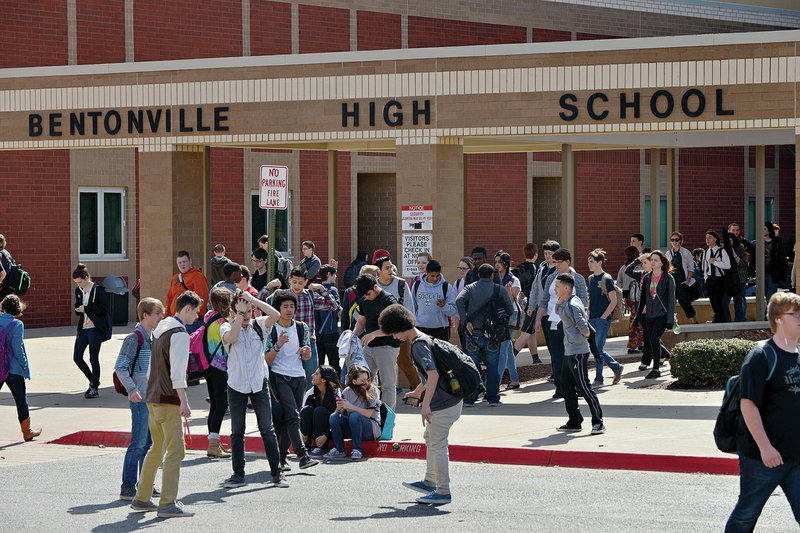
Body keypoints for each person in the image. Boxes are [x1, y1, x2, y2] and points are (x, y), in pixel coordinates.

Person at [725, 291, 800, 531]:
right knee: (746, 515)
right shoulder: (760, 357)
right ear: (778, 319)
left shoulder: (798, 355)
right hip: (763, 458)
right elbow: (748, 404)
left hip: (796, 455)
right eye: (794, 314)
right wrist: (765, 447)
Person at [380, 303, 463, 506]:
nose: (394, 338)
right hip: (449, 400)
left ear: (399, 328)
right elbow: (430, 376)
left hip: (443, 404)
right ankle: (429, 481)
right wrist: (418, 392)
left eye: (393, 333)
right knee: (431, 439)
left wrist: (425, 405)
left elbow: (433, 375)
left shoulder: (417, 345)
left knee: (437, 444)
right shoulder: (425, 339)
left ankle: (442, 491)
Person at [130, 290, 201, 518]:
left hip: (152, 398)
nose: (197, 317)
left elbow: (153, 369)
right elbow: (178, 373)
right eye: (196, 311)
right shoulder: (180, 333)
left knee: (157, 448)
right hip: (168, 399)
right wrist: (184, 402)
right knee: (175, 451)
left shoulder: (161, 330)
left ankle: (142, 498)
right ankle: (167, 503)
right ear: (187, 309)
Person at [220, 288, 288, 488]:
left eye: (249, 310)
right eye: (243, 310)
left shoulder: (259, 325)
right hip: (236, 385)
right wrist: (239, 315)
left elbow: (275, 315)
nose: (247, 314)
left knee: (267, 428)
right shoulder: (227, 327)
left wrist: (252, 299)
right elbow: (231, 339)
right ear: (234, 311)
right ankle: (238, 474)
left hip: (259, 383)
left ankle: (277, 473)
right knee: (237, 430)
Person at [114, 297, 165, 500]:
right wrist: (132, 389)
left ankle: (145, 485)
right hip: (140, 400)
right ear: (145, 315)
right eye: (157, 314)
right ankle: (127, 487)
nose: (161, 318)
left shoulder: (152, 338)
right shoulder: (134, 338)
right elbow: (121, 366)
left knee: (149, 445)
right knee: (138, 443)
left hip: (151, 399)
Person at [264, 289, 320, 471]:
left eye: (292, 306)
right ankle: (302, 454)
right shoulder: (271, 328)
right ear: (277, 309)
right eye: (285, 306)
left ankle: (281, 459)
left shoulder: (301, 327)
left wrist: (306, 353)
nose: (289, 310)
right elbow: (266, 360)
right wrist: (278, 345)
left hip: (299, 377)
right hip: (279, 376)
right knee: (293, 415)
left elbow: (306, 354)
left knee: (291, 418)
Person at [269, 268, 340, 388]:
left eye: (301, 282)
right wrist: (268, 286)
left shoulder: (310, 296)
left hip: (308, 343)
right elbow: (264, 302)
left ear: (306, 282)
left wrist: (323, 290)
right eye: (294, 281)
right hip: (286, 342)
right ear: (289, 280)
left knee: (311, 380)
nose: (297, 285)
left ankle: (308, 404)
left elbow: (333, 306)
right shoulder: (282, 296)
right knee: (285, 378)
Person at [553, 274, 605, 435]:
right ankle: (575, 421)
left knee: (584, 388)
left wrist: (583, 335)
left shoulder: (573, 305)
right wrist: (560, 300)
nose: (555, 289)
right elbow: (558, 311)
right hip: (569, 353)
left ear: (567, 288)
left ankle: (598, 422)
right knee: (566, 387)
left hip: (578, 353)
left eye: (557, 287)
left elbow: (584, 327)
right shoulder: (566, 302)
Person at [456, 263, 514, 407]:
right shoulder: (499, 289)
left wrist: (465, 320)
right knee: (493, 365)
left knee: (473, 365)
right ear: (492, 275)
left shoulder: (470, 288)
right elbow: (510, 310)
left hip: (473, 332)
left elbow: (459, 300)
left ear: (478, 275)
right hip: (493, 335)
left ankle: (470, 398)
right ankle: (493, 398)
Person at [535, 248, 588, 399]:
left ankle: (578, 387)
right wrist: (539, 319)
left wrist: (566, 302)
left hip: (571, 322)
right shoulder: (551, 278)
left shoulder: (577, 278)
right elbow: (544, 300)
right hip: (553, 321)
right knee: (557, 356)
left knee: (572, 355)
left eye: (559, 262)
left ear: (567, 262)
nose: (556, 264)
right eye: (554, 262)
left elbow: (584, 301)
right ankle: (560, 387)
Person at [352, 274, 402, 410]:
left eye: (368, 293)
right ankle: (367, 412)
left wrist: (374, 334)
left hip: (387, 346)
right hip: (369, 347)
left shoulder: (388, 300)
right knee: (363, 382)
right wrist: (352, 336)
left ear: (375, 287)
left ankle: (387, 418)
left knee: (388, 385)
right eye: (364, 295)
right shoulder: (364, 300)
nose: (367, 297)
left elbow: (395, 327)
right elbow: (362, 321)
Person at [0, 294, 41, 441]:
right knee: (20, 400)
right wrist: (25, 366)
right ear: (17, 309)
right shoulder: (17, 325)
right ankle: (27, 432)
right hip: (14, 369)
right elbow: (17, 349)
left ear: (3, 307)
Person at [324, 364, 382, 461]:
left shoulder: (373, 390)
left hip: (370, 428)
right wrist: (339, 409)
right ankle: (339, 450)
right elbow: (339, 413)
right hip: (353, 426)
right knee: (334, 417)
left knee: (354, 416)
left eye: (367, 379)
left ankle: (357, 450)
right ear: (354, 381)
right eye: (362, 381)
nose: (366, 383)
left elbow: (369, 414)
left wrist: (351, 407)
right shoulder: (347, 392)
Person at [634, 251, 676, 379]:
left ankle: (656, 368)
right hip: (649, 315)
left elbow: (671, 300)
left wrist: (670, 319)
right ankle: (666, 357)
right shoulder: (647, 278)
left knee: (654, 338)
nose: (652, 262)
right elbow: (643, 300)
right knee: (651, 340)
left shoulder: (668, 278)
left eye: (656, 260)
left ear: (662, 262)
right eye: (651, 260)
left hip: (662, 315)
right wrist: (637, 317)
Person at [72, 263, 111, 399]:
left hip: (96, 328)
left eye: (80, 282)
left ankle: (94, 388)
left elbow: (104, 309)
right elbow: (78, 307)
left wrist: (87, 308)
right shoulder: (78, 291)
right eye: (76, 283)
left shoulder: (98, 290)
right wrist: (78, 309)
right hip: (83, 328)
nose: (79, 285)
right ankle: (93, 380)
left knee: (93, 357)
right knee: (77, 357)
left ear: (86, 277)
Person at [586, 249, 624, 388]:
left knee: (597, 349)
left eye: (592, 262)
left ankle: (599, 378)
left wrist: (603, 317)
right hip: (592, 319)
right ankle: (616, 367)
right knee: (597, 349)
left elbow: (613, 301)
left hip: (603, 320)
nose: (589, 264)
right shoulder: (590, 279)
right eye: (588, 262)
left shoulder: (606, 279)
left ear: (599, 262)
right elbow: (591, 298)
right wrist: (588, 312)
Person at [203, 288, 234, 459]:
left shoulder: (209, 317)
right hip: (220, 367)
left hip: (208, 366)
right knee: (222, 405)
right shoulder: (223, 323)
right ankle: (213, 445)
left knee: (215, 404)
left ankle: (213, 442)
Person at [409, 259, 457, 342]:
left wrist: (444, 306)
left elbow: (453, 311)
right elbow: (412, 307)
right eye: (432, 276)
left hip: (440, 330)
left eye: (437, 276)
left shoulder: (446, 287)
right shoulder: (417, 286)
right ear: (426, 273)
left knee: (440, 355)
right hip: (420, 329)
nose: (435, 278)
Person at [495, 251, 522, 390]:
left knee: (503, 349)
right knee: (508, 348)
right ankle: (515, 379)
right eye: (496, 262)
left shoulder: (514, 280)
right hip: (498, 316)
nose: (497, 265)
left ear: (506, 264)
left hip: (511, 316)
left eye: (500, 262)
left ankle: (496, 382)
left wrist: (508, 291)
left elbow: (511, 301)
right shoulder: (494, 278)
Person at [300, 365, 342, 457]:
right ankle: (305, 447)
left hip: (331, 431)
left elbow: (338, 417)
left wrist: (326, 435)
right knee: (306, 410)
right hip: (315, 430)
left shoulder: (337, 393)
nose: (312, 375)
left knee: (320, 411)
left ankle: (321, 448)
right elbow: (302, 414)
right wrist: (300, 432)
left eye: (316, 374)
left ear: (323, 380)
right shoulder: (310, 393)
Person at [165, 250, 209, 332]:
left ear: (190, 261)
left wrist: (196, 316)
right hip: (176, 319)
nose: (182, 265)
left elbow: (203, 298)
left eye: (184, 262)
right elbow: (169, 298)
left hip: (191, 321)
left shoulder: (197, 276)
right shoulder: (175, 278)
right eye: (180, 262)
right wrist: (166, 316)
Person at [513, 243, 540, 363]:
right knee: (526, 332)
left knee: (531, 331)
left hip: (521, 303)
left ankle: (536, 358)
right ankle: (510, 356)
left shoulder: (518, 268)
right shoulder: (535, 269)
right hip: (532, 303)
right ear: (536, 254)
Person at [666, 232, 699, 324]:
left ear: (681, 241)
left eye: (677, 240)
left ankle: (694, 321)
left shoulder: (686, 252)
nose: (675, 242)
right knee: (670, 302)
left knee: (685, 302)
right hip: (671, 281)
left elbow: (691, 268)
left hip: (682, 281)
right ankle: (671, 323)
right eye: (672, 240)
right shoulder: (668, 253)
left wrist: (688, 280)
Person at [315, 264, 342, 375]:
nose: (335, 277)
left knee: (319, 365)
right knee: (334, 364)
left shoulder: (314, 290)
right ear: (328, 275)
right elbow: (337, 308)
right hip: (331, 330)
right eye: (334, 274)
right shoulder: (333, 290)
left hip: (317, 331)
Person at [618, 245, 644, 354]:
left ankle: (637, 344)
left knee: (635, 321)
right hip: (638, 297)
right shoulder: (641, 267)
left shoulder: (623, 268)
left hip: (627, 296)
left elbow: (619, 283)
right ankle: (636, 344)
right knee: (638, 322)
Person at [704, 230, 732, 324]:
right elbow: (705, 267)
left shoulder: (721, 251)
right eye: (706, 238)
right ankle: (718, 320)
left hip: (720, 280)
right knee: (712, 302)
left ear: (715, 239)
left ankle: (721, 321)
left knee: (718, 301)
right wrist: (706, 278)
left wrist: (715, 262)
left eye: (710, 238)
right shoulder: (707, 251)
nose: (707, 240)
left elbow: (728, 265)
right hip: (710, 279)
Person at [763, 222, 789, 305]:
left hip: (773, 273)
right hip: (761, 273)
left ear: (769, 231)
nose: (762, 231)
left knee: (770, 295)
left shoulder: (777, 243)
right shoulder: (757, 242)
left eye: (764, 229)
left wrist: (783, 275)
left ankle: (768, 314)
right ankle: (767, 313)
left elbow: (782, 259)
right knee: (763, 295)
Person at [452, 256, 474, 349]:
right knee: (465, 348)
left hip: (474, 322)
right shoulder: (457, 283)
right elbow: (455, 305)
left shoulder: (475, 283)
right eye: (460, 268)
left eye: (464, 268)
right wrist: (456, 325)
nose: (461, 270)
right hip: (462, 323)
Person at [0, 234, 17, 299]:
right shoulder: (6, 252)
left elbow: (3, 273)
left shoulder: (0, 254)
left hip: (3, 286)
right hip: (9, 285)